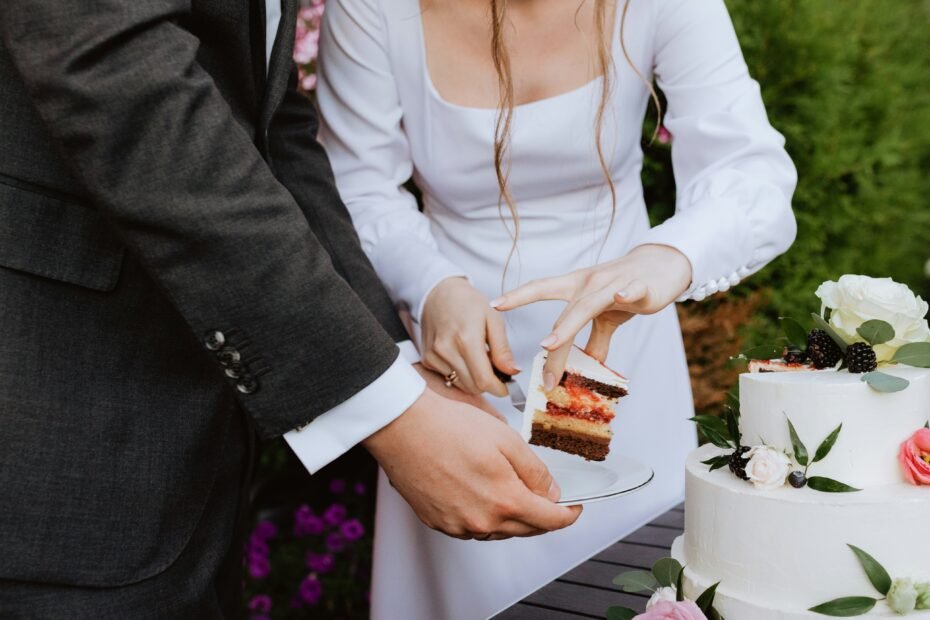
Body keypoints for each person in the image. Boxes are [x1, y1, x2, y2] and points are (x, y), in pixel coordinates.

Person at [0, 0, 580, 616]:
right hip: (56, 421)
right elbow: (117, 69)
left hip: (184, 441)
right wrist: (385, 411)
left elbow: (269, 125)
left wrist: (396, 370)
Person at [315, 0, 798, 617]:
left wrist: (666, 256)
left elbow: (750, 170)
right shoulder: (374, 10)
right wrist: (432, 286)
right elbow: (353, 184)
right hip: (460, 364)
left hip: (621, 341)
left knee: (636, 580)